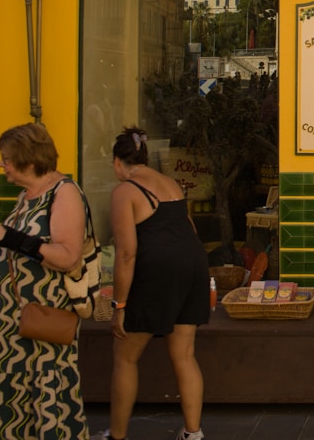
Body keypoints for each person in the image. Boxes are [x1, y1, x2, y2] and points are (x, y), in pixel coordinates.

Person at [0, 123, 90, 440]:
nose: (0, 164)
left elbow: (69, 256)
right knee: (0, 407)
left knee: (48, 407)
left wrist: (13, 239)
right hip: (6, 331)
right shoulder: (26, 196)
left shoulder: (65, 193)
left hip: (41, 331)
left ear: (28, 160)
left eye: (6, 158)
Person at [105, 127, 210, 440]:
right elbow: (188, 227)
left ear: (116, 162)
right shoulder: (171, 183)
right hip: (192, 265)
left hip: (156, 273)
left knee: (125, 356)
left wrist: (119, 306)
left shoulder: (124, 191)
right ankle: (193, 433)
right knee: (185, 354)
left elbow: (126, 254)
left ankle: (117, 436)